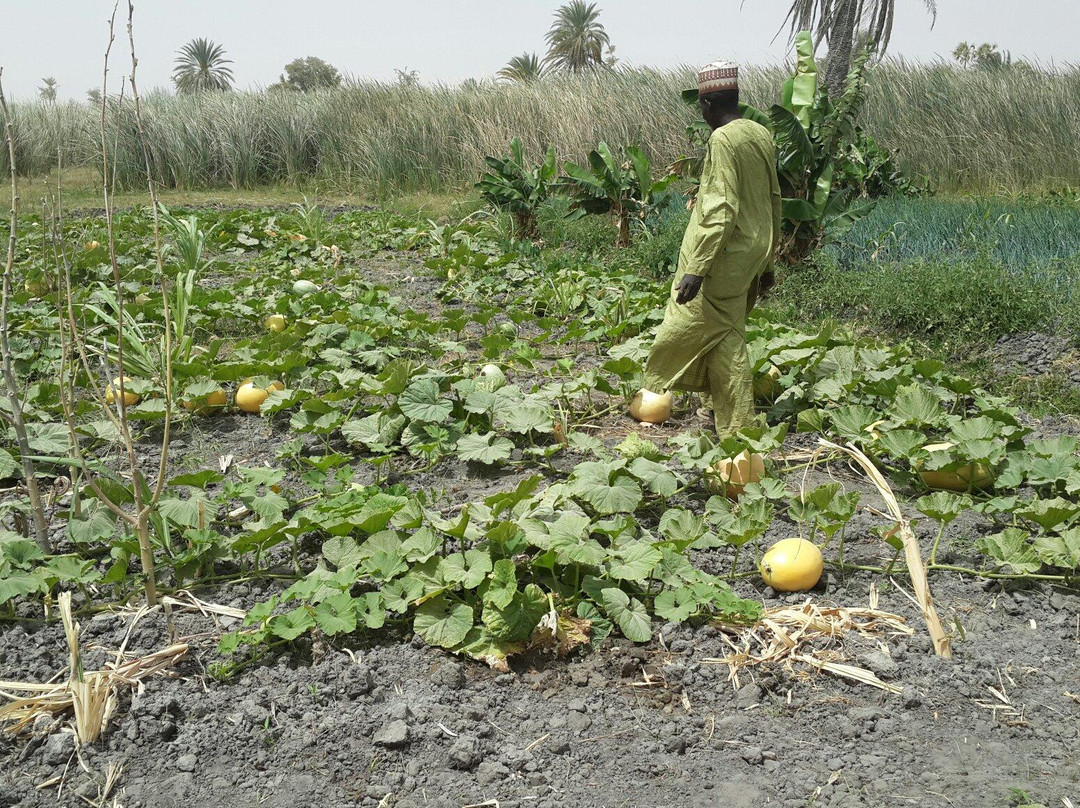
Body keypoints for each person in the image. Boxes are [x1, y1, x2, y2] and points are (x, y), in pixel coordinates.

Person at [642, 60, 781, 439]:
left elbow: (720, 208)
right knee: (722, 331)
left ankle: (737, 429)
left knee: (697, 329)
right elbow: (771, 199)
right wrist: (767, 263)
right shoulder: (759, 133)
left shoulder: (722, 139)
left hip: (723, 255)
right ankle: (714, 413)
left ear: (705, 106)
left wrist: (697, 268)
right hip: (751, 251)